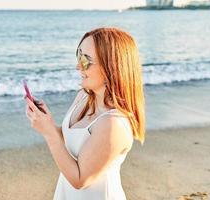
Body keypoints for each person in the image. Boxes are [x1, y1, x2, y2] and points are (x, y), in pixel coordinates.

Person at [24, 27, 145, 200]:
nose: (77, 66)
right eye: (78, 56)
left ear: (111, 67)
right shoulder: (83, 96)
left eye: (85, 60)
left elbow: (80, 179)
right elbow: (72, 141)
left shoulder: (113, 124)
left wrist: (49, 134)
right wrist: (48, 124)